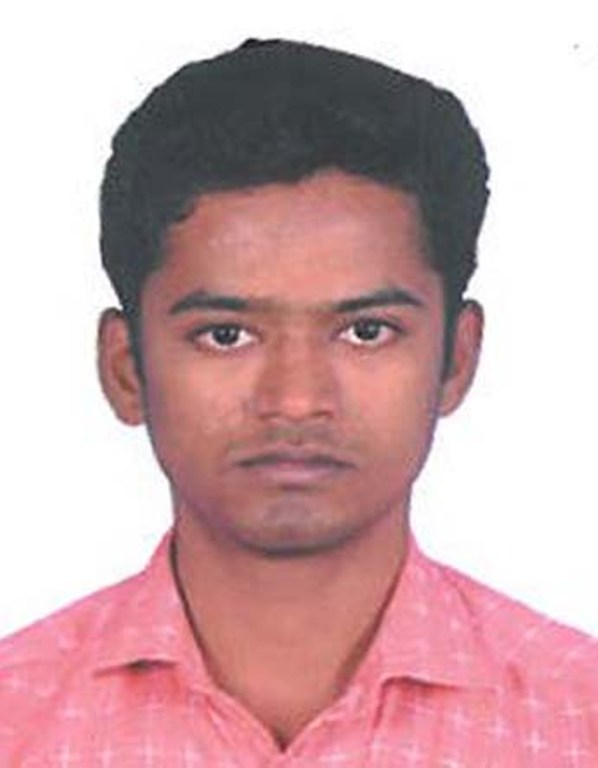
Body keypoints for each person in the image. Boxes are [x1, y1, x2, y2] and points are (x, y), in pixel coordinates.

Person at [1, 38, 596, 766]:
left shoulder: (580, 717)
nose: (295, 400)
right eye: (226, 335)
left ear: (456, 359)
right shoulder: (14, 720)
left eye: (366, 331)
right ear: (126, 369)